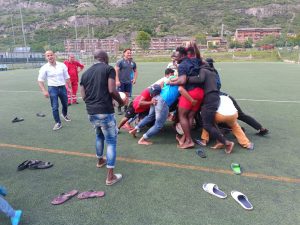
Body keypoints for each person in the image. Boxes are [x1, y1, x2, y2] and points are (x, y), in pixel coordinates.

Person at [80, 50, 125, 186]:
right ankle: (110, 177)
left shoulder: (86, 73)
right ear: (105, 58)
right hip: (105, 111)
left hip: (91, 112)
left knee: (99, 136)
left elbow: (83, 96)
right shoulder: (109, 69)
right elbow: (111, 90)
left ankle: (100, 161)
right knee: (111, 142)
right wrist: (122, 102)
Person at [206, 57, 269, 136]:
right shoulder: (214, 71)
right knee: (240, 115)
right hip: (226, 96)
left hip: (218, 98)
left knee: (213, 116)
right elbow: (218, 85)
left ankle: (231, 129)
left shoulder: (206, 74)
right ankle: (261, 128)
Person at [169, 46, 204, 149]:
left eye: (177, 55)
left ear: (183, 55)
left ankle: (189, 141)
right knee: (190, 116)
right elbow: (199, 58)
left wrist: (171, 82)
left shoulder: (182, 65)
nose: (175, 56)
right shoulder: (194, 60)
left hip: (190, 92)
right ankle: (185, 138)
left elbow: (183, 80)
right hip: (200, 92)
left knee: (182, 116)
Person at [38, 50, 72, 131]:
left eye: (51, 55)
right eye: (48, 56)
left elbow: (67, 77)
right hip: (52, 89)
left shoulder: (62, 65)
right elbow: (40, 80)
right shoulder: (44, 68)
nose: (50, 57)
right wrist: (44, 91)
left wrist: (69, 87)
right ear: (46, 58)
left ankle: (64, 114)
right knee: (55, 107)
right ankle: (58, 123)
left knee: (65, 104)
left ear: (54, 55)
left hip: (62, 87)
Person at [115, 48, 138, 115]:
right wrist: (117, 80)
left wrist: (134, 79)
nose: (129, 54)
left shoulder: (133, 63)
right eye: (128, 53)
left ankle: (125, 108)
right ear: (124, 54)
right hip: (121, 82)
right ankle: (119, 107)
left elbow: (135, 71)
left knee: (127, 95)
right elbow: (115, 71)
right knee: (121, 96)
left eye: (130, 53)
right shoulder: (120, 62)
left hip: (128, 82)